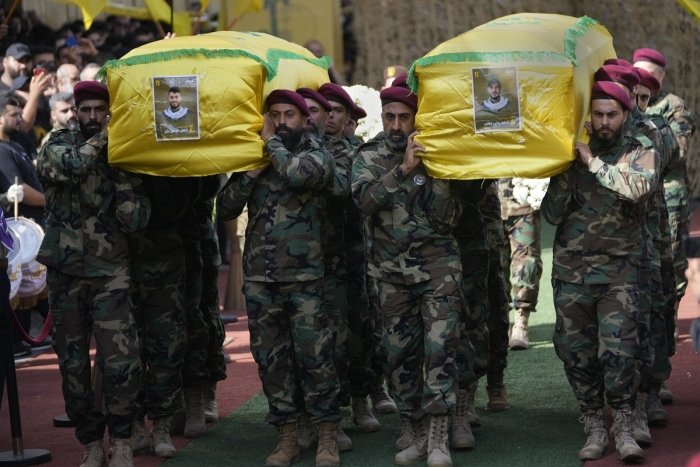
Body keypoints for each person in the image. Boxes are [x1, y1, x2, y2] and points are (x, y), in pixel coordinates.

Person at [217, 89, 340, 467]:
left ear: (304, 120)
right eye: (275, 114)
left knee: (315, 357)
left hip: (305, 278)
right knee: (272, 360)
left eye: (289, 114)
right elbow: (225, 208)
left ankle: (327, 436)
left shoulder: (316, 152)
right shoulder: (258, 158)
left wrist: (271, 146)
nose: (282, 121)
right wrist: (252, 171)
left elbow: (298, 175)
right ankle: (286, 435)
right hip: (260, 278)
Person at [541, 81, 659, 463]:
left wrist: (592, 162)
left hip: (619, 273)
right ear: (588, 116)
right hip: (572, 273)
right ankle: (592, 419)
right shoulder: (571, 157)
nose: (604, 121)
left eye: (612, 114)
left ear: (625, 115)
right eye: (598, 114)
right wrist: (566, 170)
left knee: (621, 351)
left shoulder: (640, 150)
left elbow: (636, 188)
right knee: (576, 352)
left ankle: (623, 422)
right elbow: (551, 214)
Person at [37, 80, 151, 467]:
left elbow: (136, 218)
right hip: (66, 272)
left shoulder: (121, 154)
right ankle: (90, 441)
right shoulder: (58, 143)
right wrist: (103, 143)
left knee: (121, 359)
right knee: (71, 363)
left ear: (109, 112)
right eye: (84, 110)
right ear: (74, 111)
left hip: (111, 271)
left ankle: (121, 437)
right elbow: (67, 168)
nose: (90, 117)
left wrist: (122, 174)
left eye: (98, 110)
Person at [351, 77, 462, 467]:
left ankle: (437, 436)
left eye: (403, 118)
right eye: (390, 117)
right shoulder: (368, 156)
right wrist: (402, 170)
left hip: (438, 271)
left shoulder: (440, 156)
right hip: (390, 274)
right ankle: (412, 425)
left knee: (440, 352)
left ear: (417, 119)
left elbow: (449, 220)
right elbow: (363, 202)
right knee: (398, 356)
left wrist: (435, 171)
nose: (396, 126)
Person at [633, 48, 697, 405]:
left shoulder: (673, 106)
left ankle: (660, 365)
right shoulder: (619, 103)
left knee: (668, 277)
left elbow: (677, 153)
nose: (644, 88)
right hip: (635, 209)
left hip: (667, 200)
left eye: (651, 79)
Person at [498, 177, 546, 350]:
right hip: (488, 204)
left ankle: (521, 323)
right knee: (495, 266)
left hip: (522, 200)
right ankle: (500, 324)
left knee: (527, 264)